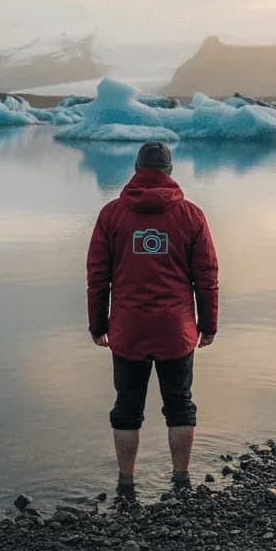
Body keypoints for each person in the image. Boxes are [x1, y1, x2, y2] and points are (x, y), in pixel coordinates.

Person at [86, 141, 218, 498]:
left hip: (127, 329)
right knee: (179, 403)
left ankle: (126, 483)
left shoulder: (111, 214)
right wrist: (208, 325)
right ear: (170, 172)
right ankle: (181, 479)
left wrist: (98, 325)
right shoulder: (191, 215)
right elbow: (206, 276)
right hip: (176, 329)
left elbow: (98, 275)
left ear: (135, 169)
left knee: (127, 406)